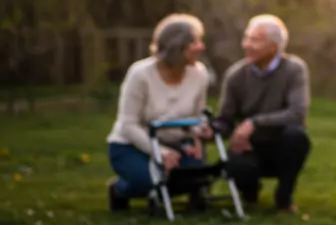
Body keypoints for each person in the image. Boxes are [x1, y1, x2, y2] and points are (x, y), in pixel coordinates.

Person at [208, 15, 311, 213]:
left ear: (274, 46)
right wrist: (212, 130)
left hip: (281, 142)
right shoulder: (235, 75)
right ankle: (250, 195)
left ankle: (284, 197)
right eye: (247, 38)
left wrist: (254, 122)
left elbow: (297, 113)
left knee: (297, 137)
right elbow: (226, 118)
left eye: (255, 40)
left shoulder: (294, 70)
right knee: (236, 163)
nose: (246, 44)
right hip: (249, 145)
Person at [106, 14, 209, 210]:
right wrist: (159, 152)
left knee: (194, 179)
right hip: (131, 146)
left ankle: (167, 187)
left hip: (176, 145)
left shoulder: (199, 74)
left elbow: (197, 117)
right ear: (177, 46)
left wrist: (198, 133)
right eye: (194, 42)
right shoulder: (140, 74)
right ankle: (119, 189)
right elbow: (128, 125)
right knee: (150, 181)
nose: (201, 47)